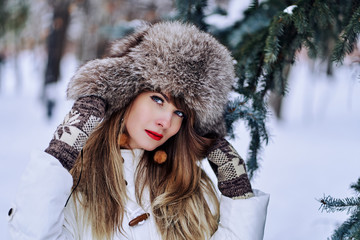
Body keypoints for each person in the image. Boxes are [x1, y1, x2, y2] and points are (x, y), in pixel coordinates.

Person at [8, 21, 269, 240]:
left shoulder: (190, 187)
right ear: (127, 94)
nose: (166, 121)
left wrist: (239, 196)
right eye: (158, 99)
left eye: (180, 113)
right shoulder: (74, 184)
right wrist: (59, 156)